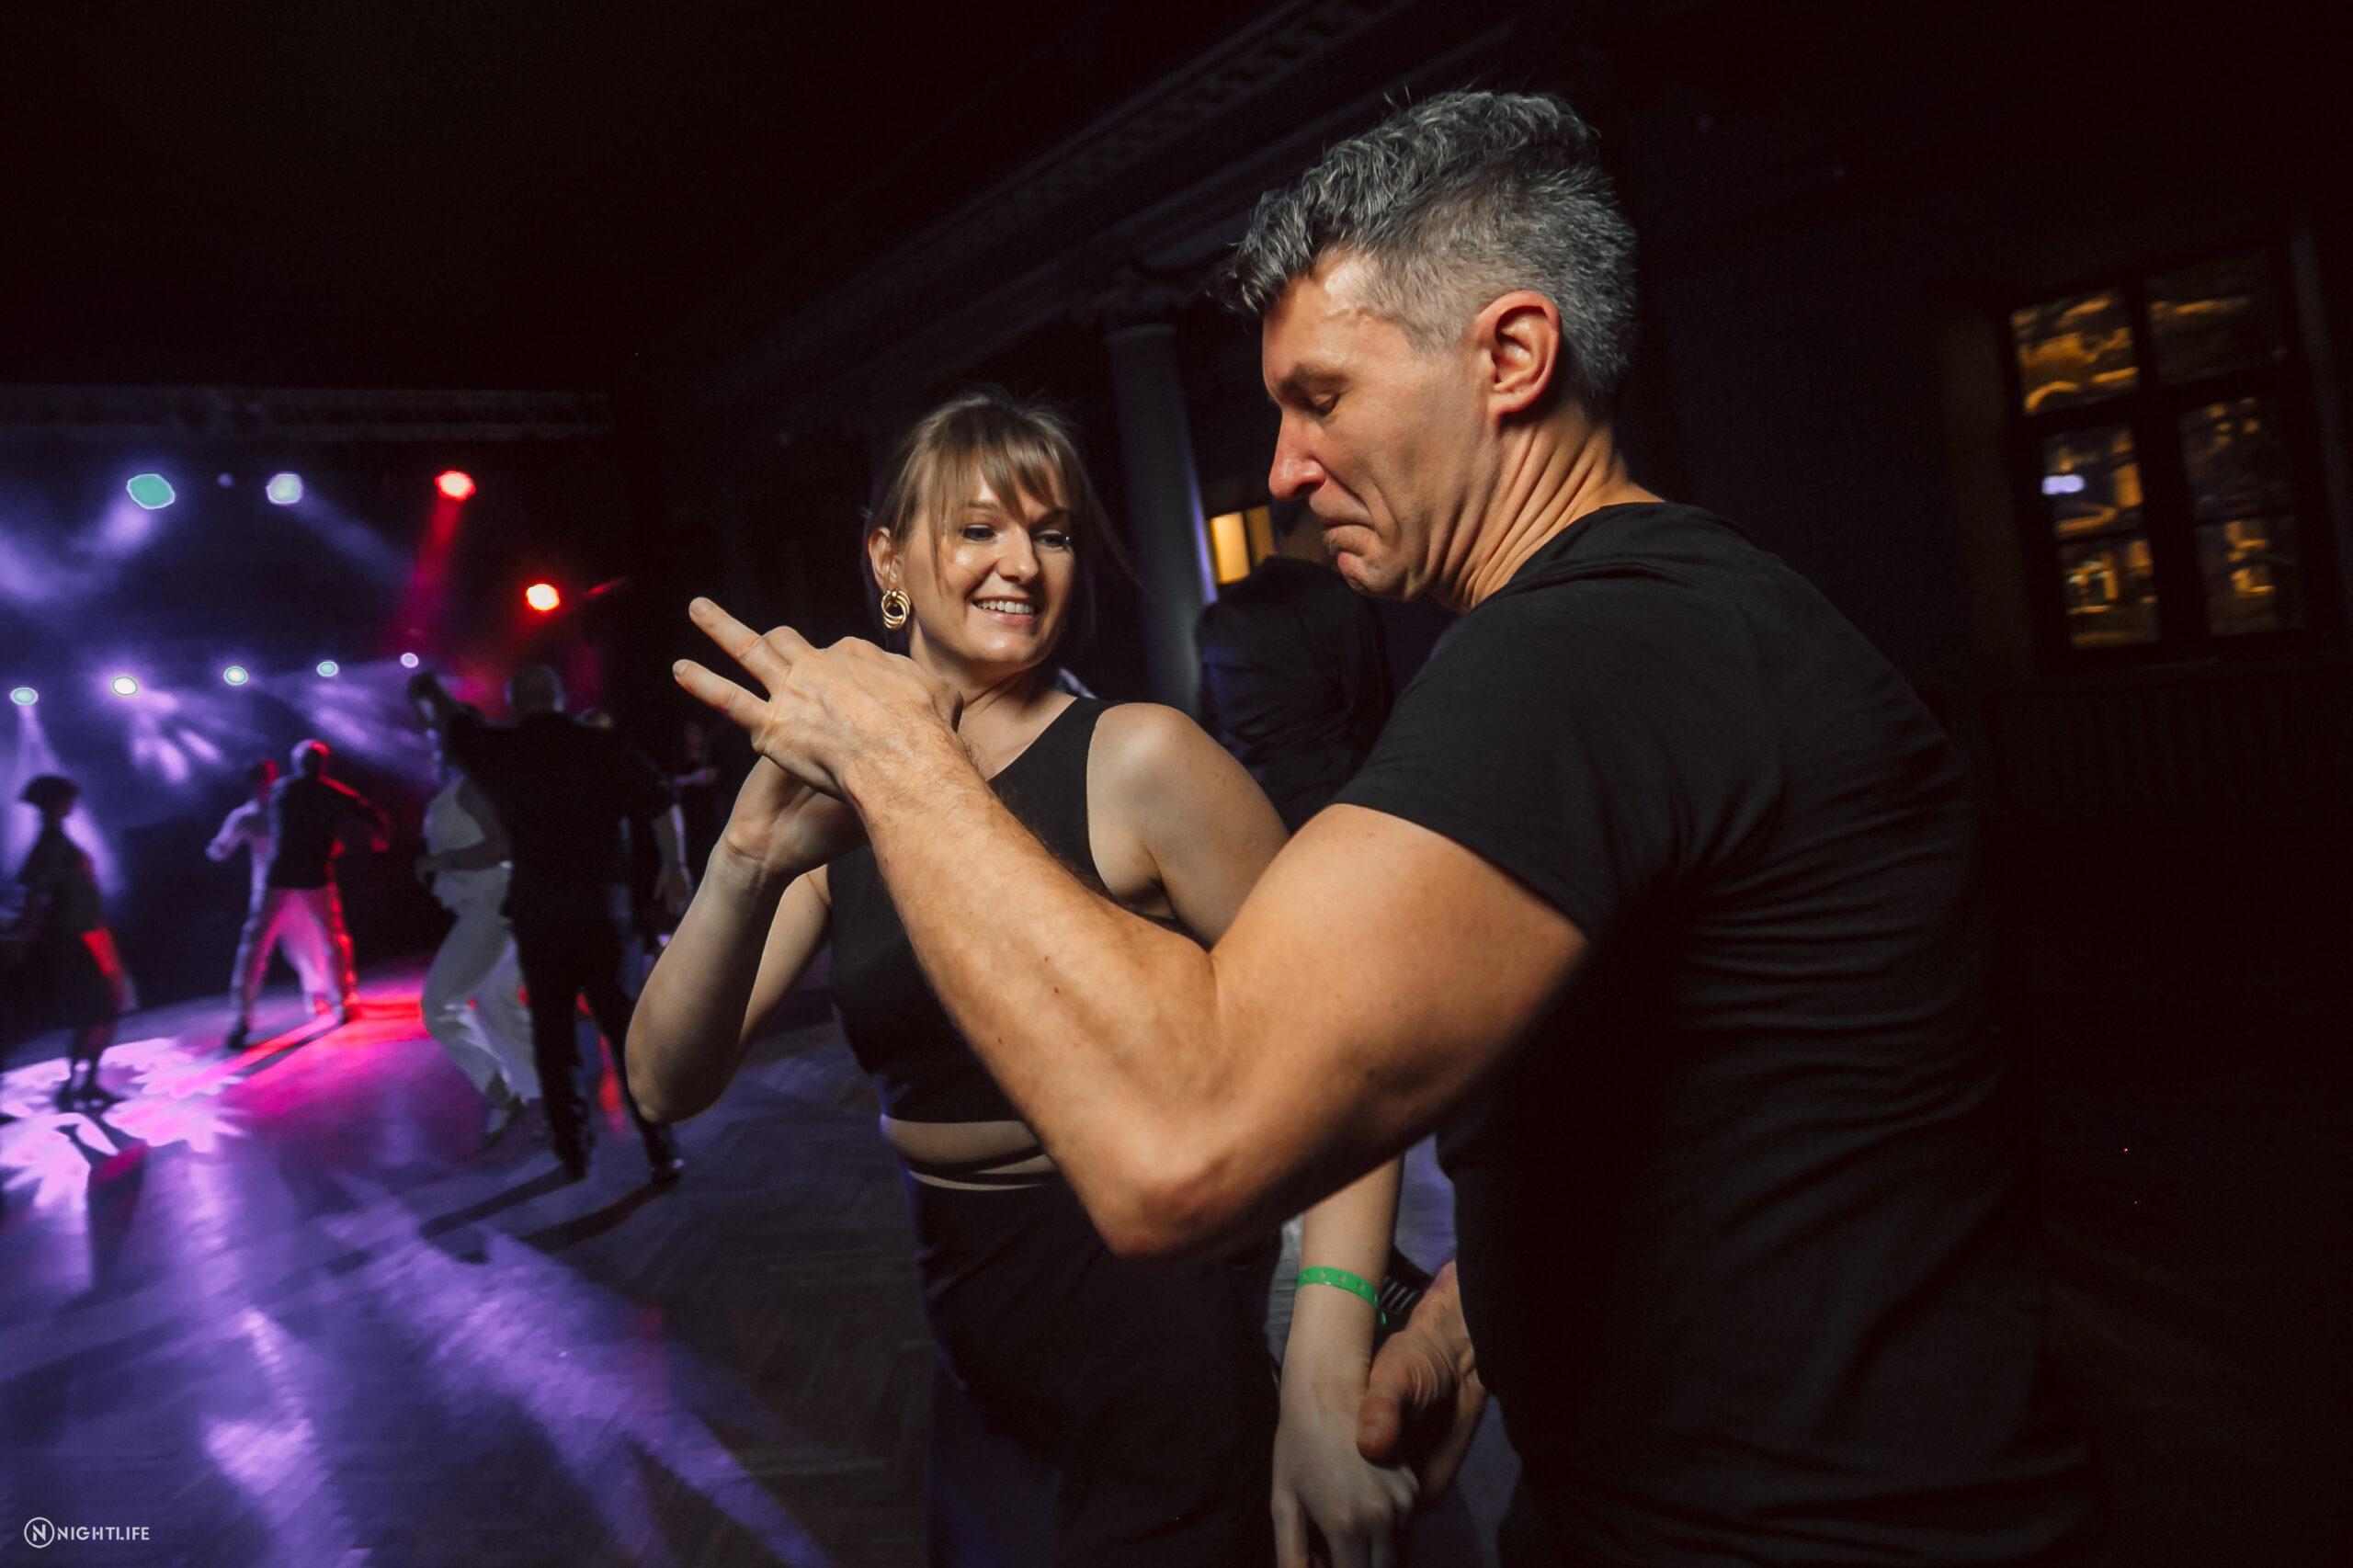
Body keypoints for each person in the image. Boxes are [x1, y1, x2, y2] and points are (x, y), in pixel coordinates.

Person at [667, 91, 2106, 1567]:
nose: (1287, 466)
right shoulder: (1659, 626)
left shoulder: (1586, 654)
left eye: (1322, 397)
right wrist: (1471, 1323)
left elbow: (1179, 1148)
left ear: (1511, 357)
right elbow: (1750, 1122)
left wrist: (897, 761)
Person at [631, 388, 1416, 1566]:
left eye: (1051, 533)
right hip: (973, 1333)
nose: (1022, 564)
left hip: (1159, 1318)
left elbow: (1350, 1055)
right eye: (977, 528)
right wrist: (743, 858)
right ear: (886, 558)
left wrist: (1321, 1360)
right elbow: (663, 1082)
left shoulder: (1140, 757)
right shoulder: (843, 794)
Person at [408, 665, 689, 1184]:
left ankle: (573, 1151)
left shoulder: (501, 749)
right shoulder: (602, 745)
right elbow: (661, 802)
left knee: (553, 1040)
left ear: (515, 703)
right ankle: (661, 1150)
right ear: (559, 697)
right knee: (627, 1034)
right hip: (602, 912)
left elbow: (456, 720)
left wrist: (431, 690)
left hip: (539, 912)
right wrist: (675, 865)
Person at [1197, 496, 1392, 830]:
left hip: (1251, 814)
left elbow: (1210, 724)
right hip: (1334, 813)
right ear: (1321, 518)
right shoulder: (1339, 604)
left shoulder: (1221, 614)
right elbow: (1374, 717)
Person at [415, 724, 539, 1145]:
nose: (428, 747)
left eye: (435, 741)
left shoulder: (472, 789)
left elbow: (504, 845)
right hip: (486, 905)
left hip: (491, 908)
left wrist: (441, 861)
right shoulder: (459, 790)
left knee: (439, 1006)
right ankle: (542, 1094)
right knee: (494, 998)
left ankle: (504, 1094)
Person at [226, 740, 387, 1050]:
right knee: (331, 939)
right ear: (322, 765)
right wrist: (378, 835)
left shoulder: (284, 791)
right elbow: (367, 812)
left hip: (283, 876)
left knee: (257, 946)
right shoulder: (325, 792)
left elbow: (361, 812)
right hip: (310, 875)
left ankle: (242, 1018)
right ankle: (342, 1003)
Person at [8, 776, 128, 1108]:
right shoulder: (51, 843)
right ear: (55, 803)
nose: (71, 805)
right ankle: (76, 1085)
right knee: (98, 1011)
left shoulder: (55, 839)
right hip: (72, 937)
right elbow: (35, 892)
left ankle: (83, 1084)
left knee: (102, 1011)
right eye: (67, 800)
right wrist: (29, 935)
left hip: (84, 933)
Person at [210, 757, 327, 1040]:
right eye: (259, 779)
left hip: (297, 888)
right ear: (252, 783)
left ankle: (317, 995)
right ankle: (242, 1016)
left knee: (309, 943)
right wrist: (218, 848)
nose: (264, 784)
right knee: (254, 950)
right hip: (268, 892)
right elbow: (221, 847)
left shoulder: (286, 807)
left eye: (267, 778)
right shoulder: (244, 816)